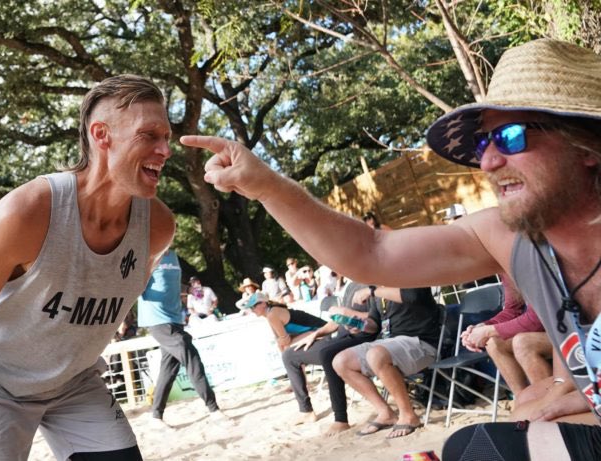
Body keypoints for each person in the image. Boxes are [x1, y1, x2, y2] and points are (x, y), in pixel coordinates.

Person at [181, 38, 601, 460]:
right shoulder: (516, 241)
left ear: (585, 146)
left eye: (510, 137)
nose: (488, 162)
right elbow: (371, 253)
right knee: (470, 444)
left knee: (481, 447)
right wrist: (266, 187)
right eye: (482, 144)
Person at [0, 74, 176, 461]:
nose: (165, 150)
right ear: (101, 135)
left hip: (75, 384)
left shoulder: (158, 228)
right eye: (149, 136)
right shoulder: (28, 212)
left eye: (167, 137)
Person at [331, 286, 440, 438]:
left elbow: (413, 295)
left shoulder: (412, 275)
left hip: (422, 343)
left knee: (376, 355)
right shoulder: (378, 289)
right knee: (341, 361)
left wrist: (372, 291)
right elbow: (374, 324)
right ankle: (385, 412)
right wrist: (359, 325)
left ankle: (408, 415)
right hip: (389, 343)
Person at [137, 249, 223, 425]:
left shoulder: (173, 255)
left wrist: (189, 289)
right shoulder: (145, 255)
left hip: (175, 318)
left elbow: (173, 284)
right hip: (156, 319)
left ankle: (156, 416)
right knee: (191, 355)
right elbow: (131, 284)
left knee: (168, 369)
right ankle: (213, 408)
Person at [281, 286, 378, 428]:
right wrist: (315, 334)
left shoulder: (374, 285)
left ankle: (340, 419)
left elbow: (378, 319)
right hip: (340, 337)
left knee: (327, 354)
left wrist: (347, 312)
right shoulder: (352, 285)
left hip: (364, 337)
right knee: (289, 355)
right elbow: (337, 320)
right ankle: (306, 410)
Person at [461, 275, 551, 397]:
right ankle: (522, 399)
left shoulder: (530, 262)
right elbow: (512, 310)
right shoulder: (506, 269)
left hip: (575, 333)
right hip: (550, 334)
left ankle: (549, 399)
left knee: (523, 342)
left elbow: (535, 320)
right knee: (493, 343)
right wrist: (482, 326)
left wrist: (488, 331)